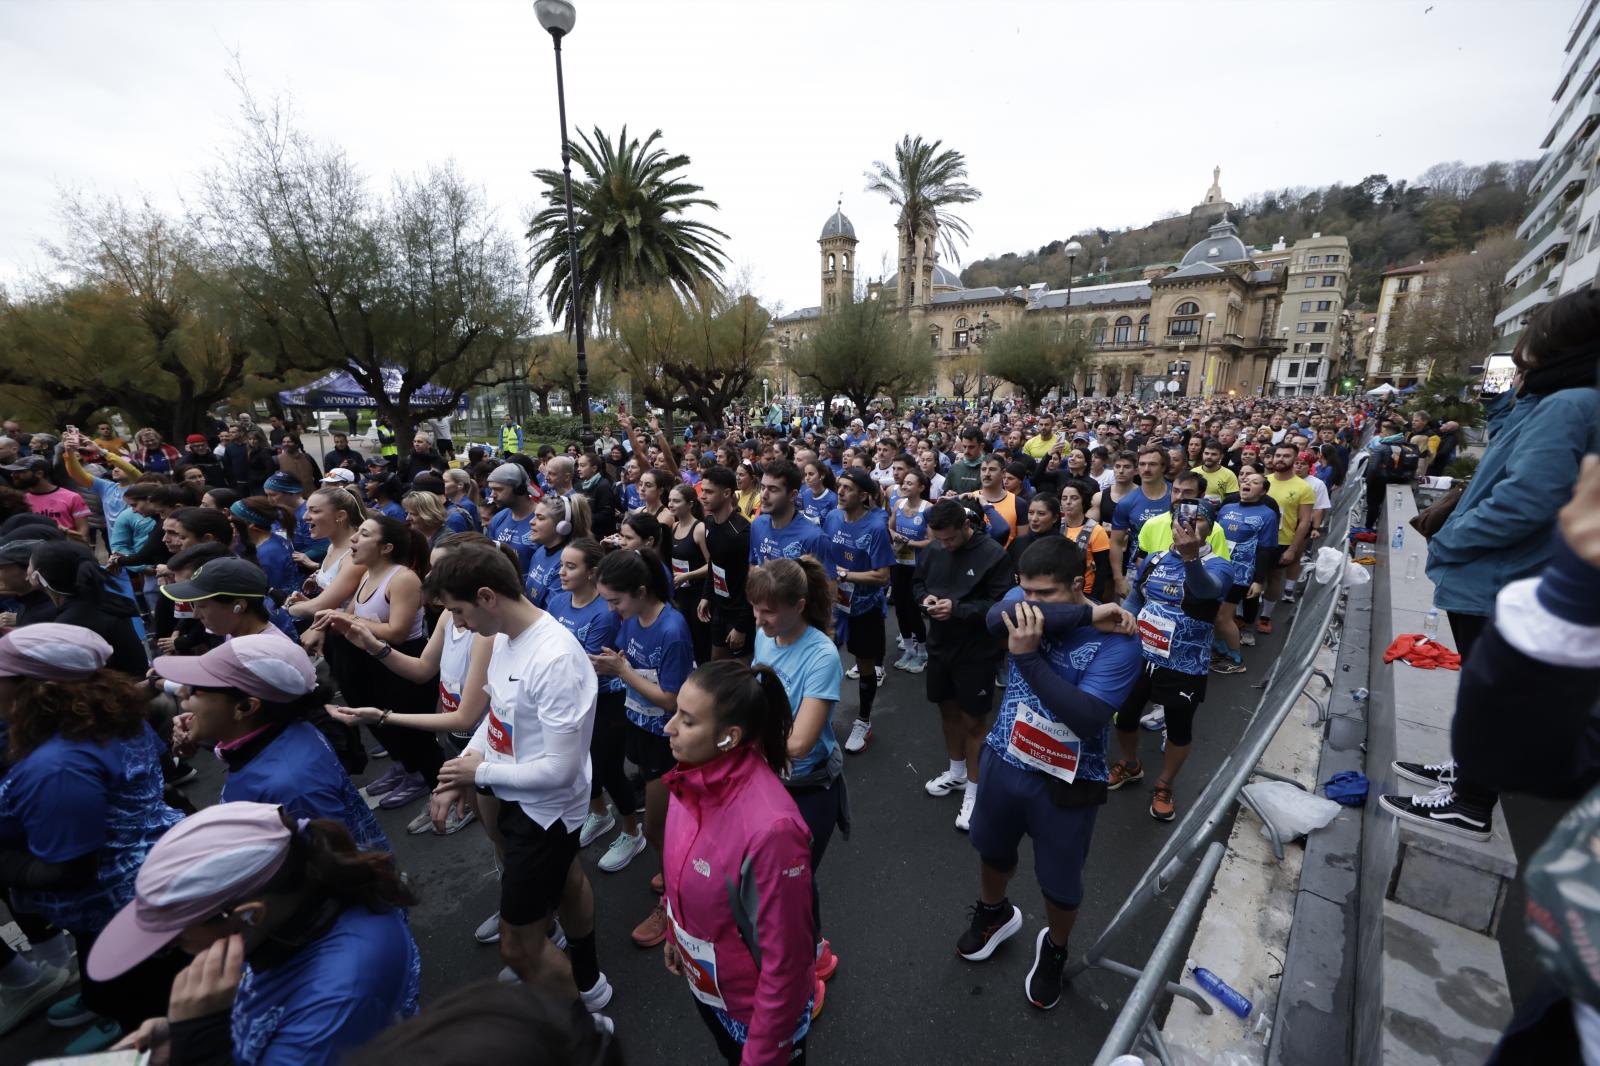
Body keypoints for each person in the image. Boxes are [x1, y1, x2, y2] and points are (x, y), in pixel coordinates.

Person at [1387, 291, 1600, 839]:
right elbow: (1513, 445)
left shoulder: (1570, 405)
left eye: (1534, 330)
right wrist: (1506, 398)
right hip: (1510, 574)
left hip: (1500, 574)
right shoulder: (1559, 400)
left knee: (1494, 693)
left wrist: (1452, 540)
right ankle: (1468, 772)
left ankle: (1469, 800)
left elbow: (1528, 499)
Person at [425, 545, 612, 1016]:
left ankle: (585, 1033)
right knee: (567, 881)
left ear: (487, 596)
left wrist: (478, 772)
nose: (458, 624)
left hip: (546, 811)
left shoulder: (554, 659)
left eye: (457, 611)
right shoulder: (507, 637)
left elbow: (562, 769)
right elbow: (497, 718)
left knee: (518, 947)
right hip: (517, 796)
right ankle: (586, 981)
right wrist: (459, 769)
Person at [92, 802, 420, 1065]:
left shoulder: (345, 987)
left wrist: (200, 1046)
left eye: (172, 941)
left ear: (249, 914)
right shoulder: (290, 915)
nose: (175, 948)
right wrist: (176, 1035)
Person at [958, 538, 1140, 1008]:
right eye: (1026, 593)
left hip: (1068, 780)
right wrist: (1080, 614)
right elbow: (989, 618)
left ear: (1079, 584)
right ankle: (994, 913)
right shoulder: (1031, 604)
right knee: (991, 850)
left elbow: (1088, 716)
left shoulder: (1118, 637)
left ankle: (1055, 948)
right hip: (1004, 758)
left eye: (1044, 596)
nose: (1029, 607)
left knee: (1060, 883)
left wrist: (1028, 658)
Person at [0, 625, 184, 1051]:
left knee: (140, 995)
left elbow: (68, 868)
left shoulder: (57, 765)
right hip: (138, 886)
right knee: (119, 980)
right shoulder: (104, 712)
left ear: (37, 689)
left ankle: (136, 1025)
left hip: (113, 904)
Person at [661, 660, 817, 1064]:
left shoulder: (773, 832)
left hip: (755, 1016)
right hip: (711, 991)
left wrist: (762, 1055)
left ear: (729, 737)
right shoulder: (689, 778)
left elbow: (786, 965)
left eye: (688, 721)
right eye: (677, 711)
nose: (669, 727)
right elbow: (680, 869)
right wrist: (673, 932)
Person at [156, 634, 388, 852]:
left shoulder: (292, 788)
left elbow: (335, 873)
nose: (182, 693)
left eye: (196, 690)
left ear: (245, 707)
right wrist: (207, 733)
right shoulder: (282, 730)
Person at [747, 557, 846, 992]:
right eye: (755, 609)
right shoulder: (764, 635)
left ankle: (811, 962)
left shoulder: (822, 654)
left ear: (800, 605)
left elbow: (800, 743)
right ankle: (800, 950)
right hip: (766, 779)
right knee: (774, 883)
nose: (759, 619)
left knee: (794, 882)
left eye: (768, 611)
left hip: (808, 786)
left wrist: (734, 744)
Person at [592, 548, 695, 950]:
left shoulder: (672, 629)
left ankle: (675, 901)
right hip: (638, 726)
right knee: (660, 827)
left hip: (665, 739)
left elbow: (672, 699)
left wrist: (622, 672)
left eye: (615, 601)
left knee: (657, 827)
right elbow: (625, 657)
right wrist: (611, 663)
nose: (611, 609)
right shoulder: (633, 618)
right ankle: (674, 876)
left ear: (640, 590)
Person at [1110, 497, 1232, 822]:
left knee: (1179, 728)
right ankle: (1131, 764)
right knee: (1124, 717)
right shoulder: (1156, 558)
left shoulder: (1219, 564)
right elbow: (1138, 596)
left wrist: (1192, 559)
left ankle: (1164, 784)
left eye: (1197, 520)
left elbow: (1207, 591)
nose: (1187, 525)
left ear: (1210, 529)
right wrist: (1123, 620)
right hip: (1141, 655)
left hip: (1183, 663)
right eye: (1181, 518)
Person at [915, 498, 1017, 830]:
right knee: (946, 710)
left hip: (975, 652)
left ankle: (975, 790)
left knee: (974, 722)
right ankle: (957, 773)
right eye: (939, 539)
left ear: (965, 526)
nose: (944, 545)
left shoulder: (993, 554)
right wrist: (925, 600)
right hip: (940, 646)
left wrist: (957, 609)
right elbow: (918, 582)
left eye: (950, 539)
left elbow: (1002, 604)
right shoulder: (934, 547)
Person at [547, 538, 644, 874]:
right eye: (561, 564)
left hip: (604, 701)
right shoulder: (557, 601)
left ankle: (633, 831)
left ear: (592, 574)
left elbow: (586, 665)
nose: (561, 571)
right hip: (566, 700)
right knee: (581, 764)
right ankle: (600, 814)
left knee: (608, 768)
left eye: (570, 566)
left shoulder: (604, 612)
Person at [823, 468, 893, 747]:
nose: (840, 492)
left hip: (864, 607)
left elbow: (883, 576)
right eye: (839, 486)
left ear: (864, 496)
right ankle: (820, 715)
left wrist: (844, 575)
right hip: (833, 605)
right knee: (825, 658)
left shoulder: (875, 528)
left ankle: (863, 721)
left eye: (847, 488)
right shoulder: (831, 518)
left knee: (865, 664)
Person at [30, 540, 148, 678]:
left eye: (29, 565)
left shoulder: (72, 623)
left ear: (38, 576)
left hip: (119, 694)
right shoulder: (98, 600)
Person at [1213, 471, 1279, 671]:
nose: (1247, 482)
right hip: (1217, 568)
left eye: (1255, 482)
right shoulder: (1227, 507)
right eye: (1246, 480)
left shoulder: (1267, 514)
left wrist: (1259, 580)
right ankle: (1222, 649)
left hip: (1240, 573)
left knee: (1223, 617)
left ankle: (1236, 660)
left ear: (1263, 491)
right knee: (1215, 613)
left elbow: (1266, 549)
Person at [697, 465, 754, 662]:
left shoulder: (742, 534)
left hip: (739, 615)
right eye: (702, 490)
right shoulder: (710, 523)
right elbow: (715, 562)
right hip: (719, 610)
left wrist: (742, 627)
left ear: (727, 493)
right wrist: (707, 595)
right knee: (717, 665)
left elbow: (753, 583)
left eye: (709, 491)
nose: (703, 496)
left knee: (739, 676)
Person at [1260, 441, 1315, 634]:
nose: (1281, 459)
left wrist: (1292, 549)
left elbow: (1304, 521)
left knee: (1274, 578)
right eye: (1278, 455)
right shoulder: (1263, 481)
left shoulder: (1303, 488)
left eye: (1286, 456)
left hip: (1281, 542)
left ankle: (1265, 616)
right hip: (1258, 541)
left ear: (1295, 458)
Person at [1110, 445, 1172, 597]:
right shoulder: (1127, 502)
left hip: (1173, 567)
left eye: (1152, 464)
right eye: (1142, 464)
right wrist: (1119, 579)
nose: (1146, 469)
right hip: (1137, 569)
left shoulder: (1176, 496)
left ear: (1163, 467)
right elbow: (1116, 543)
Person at [888, 467, 934, 672]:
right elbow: (890, 527)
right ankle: (908, 649)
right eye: (903, 482)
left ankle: (922, 651)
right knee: (900, 608)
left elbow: (933, 542)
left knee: (914, 610)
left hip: (918, 568)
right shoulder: (898, 504)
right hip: (898, 564)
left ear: (921, 487)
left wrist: (911, 544)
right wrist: (896, 537)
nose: (904, 485)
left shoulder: (927, 509)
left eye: (909, 483)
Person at [749, 460, 829, 567]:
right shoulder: (757, 524)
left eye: (773, 489)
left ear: (792, 495)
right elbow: (753, 564)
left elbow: (828, 583)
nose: (764, 495)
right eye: (763, 487)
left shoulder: (814, 538)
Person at [666, 484, 712, 665]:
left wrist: (688, 576)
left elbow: (712, 565)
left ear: (690, 504)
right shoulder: (674, 527)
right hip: (680, 594)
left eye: (676, 501)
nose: (671, 504)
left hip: (697, 595)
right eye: (669, 500)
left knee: (700, 641)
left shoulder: (699, 528)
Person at [524, 494, 592, 609]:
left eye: (540, 518)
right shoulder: (540, 551)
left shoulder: (567, 562)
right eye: (534, 516)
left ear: (562, 526)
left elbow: (553, 611)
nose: (531, 522)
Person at [2, 456, 89, 541]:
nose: (13, 475)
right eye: (13, 472)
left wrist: (58, 530)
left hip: (62, 551)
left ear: (39, 473)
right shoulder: (19, 500)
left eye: (20, 472)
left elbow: (83, 536)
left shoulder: (72, 497)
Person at [1059, 480, 1113, 603]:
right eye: (1064, 498)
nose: (1068, 502)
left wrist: (1094, 598)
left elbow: (1102, 570)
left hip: (1085, 594)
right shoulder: (1055, 525)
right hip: (1058, 591)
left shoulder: (1096, 530)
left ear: (1083, 502)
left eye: (1074, 498)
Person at [485, 462, 540, 576]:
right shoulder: (498, 519)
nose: (492, 495)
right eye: (491, 489)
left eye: (498, 489)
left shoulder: (543, 520)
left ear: (518, 489)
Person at [966, 456, 1023, 549]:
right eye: (983, 469)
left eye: (992, 469)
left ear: (1003, 473)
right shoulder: (969, 499)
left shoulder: (1018, 503)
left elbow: (1022, 543)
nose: (987, 474)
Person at [576, 452, 618, 539]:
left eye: (582, 465)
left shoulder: (603, 485)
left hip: (599, 535)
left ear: (594, 468)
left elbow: (606, 514)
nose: (578, 469)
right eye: (578, 465)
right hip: (585, 532)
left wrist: (583, 518)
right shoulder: (580, 485)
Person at [944, 427, 986, 495]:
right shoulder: (954, 468)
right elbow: (945, 493)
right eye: (964, 447)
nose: (966, 451)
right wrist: (948, 494)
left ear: (981, 446)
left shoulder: (989, 468)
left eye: (971, 447)